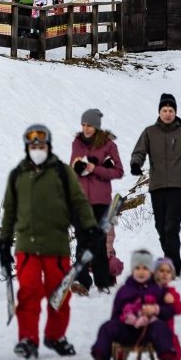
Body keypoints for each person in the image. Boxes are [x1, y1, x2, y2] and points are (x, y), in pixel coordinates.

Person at [0, 125, 108, 360]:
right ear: (27, 148)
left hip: (56, 245)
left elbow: (79, 202)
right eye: (33, 146)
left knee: (59, 294)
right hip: (27, 247)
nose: (38, 149)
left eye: (42, 145)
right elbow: (9, 211)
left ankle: (55, 336)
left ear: (48, 146)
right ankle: (28, 339)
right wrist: (3, 242)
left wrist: (90, 228)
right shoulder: (18, 175)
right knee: (28, 292)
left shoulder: (61, 172)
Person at [127, 94, 181, 277]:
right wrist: (136, 164)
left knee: (171, 226)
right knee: (160, 227)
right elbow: (139, 152)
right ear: (159, 112)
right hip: (157, 186)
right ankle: (170, 259)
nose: (167, 114)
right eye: (164, 110)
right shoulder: (150, 132)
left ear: (175, 112)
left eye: (171, 110)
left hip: (177, 186)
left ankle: (173, 265)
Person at [85, 249, 181, 360]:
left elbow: (168, 311)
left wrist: (156, 309)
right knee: (106, 327)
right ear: (132, 269)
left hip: (149, 332)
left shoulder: (158, 289)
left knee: (162, 328)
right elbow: (116, 314)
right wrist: (125, 318)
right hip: (127, 330)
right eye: (137, 268)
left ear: (151, 271)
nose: (141, 272)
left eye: (145, 268)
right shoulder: (125, 290)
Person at [69, 109, 124, 293]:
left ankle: (103, 282)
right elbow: (72, 169)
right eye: (83, 125)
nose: (85, 128)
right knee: (82, 241)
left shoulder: (108, 146)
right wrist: (77, 168)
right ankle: (82, 282)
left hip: (101, 201)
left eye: (89, 125)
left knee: (99, 244)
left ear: (97, 127)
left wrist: (96, 169)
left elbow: (118, 171)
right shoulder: (77, 143)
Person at [153, 258, 181, 360]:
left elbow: (180, 309)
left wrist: (173, 301)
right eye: (161, 270)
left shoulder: (171, 292)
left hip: (167, 331)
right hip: (149, 330)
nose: (165, 274)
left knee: (174, 342)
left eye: (168, 271)